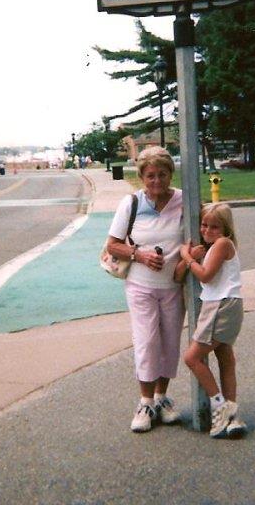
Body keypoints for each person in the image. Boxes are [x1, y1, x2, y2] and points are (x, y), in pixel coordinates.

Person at [106, 146, 200, 434]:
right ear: (142, 177)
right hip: (140, 285)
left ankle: (161, 398)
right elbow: (113, 244)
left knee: (170, 342)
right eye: (150, 176)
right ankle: (145, 402)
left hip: (173, 286)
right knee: (147, 341)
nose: (156, 181)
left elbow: (201, 233)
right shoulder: (131, 203)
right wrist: (140, 255)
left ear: (170, 174)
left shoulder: (184, 201)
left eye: (161, 175)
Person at [178, 202, 247, 439]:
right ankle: (233, 416)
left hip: (221, 305)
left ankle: (220, 405)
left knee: (192, 357)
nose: (207, 230)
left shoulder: (221, 244)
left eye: (214, 227)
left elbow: (205, 276)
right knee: (225, 357)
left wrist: (188, 257)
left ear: (225, 229)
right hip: (226, 304)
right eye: (204, 225)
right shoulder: (217, 246)